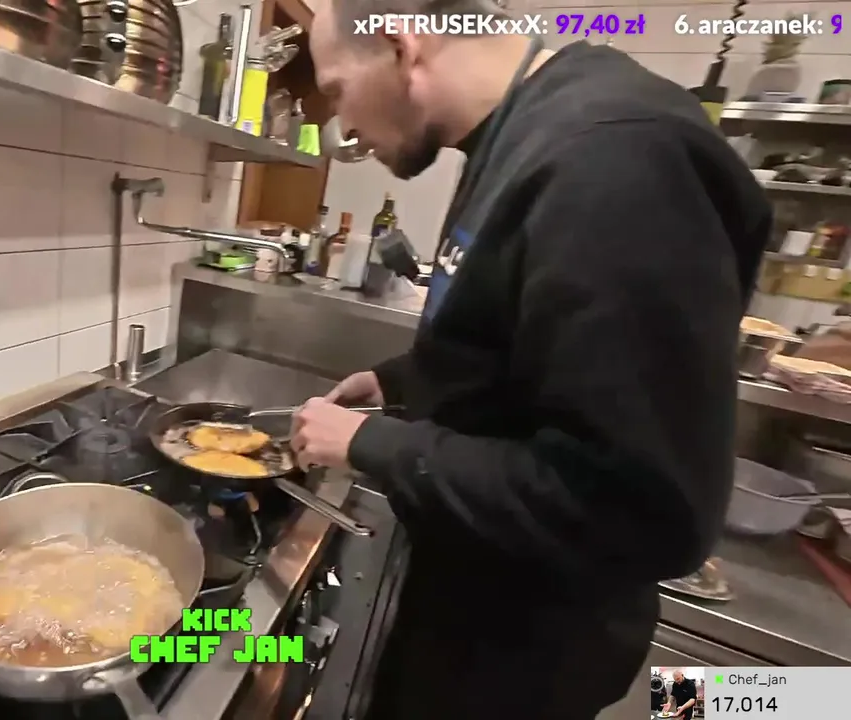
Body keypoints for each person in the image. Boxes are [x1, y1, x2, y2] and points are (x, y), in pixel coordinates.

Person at [290, 0, 769, 718]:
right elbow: (527, 343)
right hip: (470, 606)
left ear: (402, 44)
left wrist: (372, 444)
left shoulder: (616, 162)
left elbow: (641, 508)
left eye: (336, 91)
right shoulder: (515, 135)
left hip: (521, 660)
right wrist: (403, 381)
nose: (343, 127)